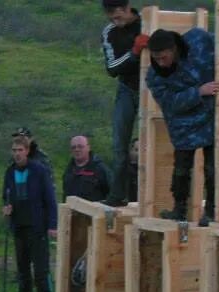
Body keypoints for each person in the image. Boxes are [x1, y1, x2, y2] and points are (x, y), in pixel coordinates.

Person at [145, 28, 219, 224]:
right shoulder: (154, 75)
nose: (161, 62)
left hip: (212, 118)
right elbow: (169, 103)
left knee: (213, 169)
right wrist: (198, 92)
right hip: (183, 126)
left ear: (174, 49)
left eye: (163, 57)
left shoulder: (198, 41)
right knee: (181, 170)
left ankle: (211, 211)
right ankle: (179, 210)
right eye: (156, 58)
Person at [3, 135, 58, 292]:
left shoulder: (39, 170)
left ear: (27, 151)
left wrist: (52, 225)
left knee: (41, 269)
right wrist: (7, 207)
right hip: (18, 226)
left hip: (37, 226)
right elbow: (6, 195)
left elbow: (50, 199)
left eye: (20, 150)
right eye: (14, 151)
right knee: (22, 268)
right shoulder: (10, 172)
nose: (17, 154)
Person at [101, 0, 148, 207]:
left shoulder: (148, 23)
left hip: (152, 87)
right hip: (128, 88)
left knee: (157, 140)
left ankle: (156, 193)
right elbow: (111, 68)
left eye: (118, 16)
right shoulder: (109, 32)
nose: (114, 20)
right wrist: (134, 53)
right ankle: (118, 194)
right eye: (110, 16)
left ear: (128, 9)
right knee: (120, 143)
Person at [62, 135, 112, 202]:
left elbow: (113, 193)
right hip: (71, 211)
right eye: (73, 147)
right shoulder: (69, 171)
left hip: (94, 211)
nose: (77, 149)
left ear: (88, 147)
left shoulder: (100, 169)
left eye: (80, 146)